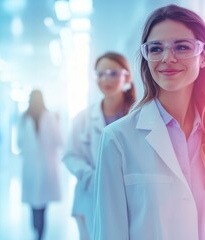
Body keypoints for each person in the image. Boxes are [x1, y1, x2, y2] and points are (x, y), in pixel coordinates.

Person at [93, 4, 205, 240]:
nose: (167, 58)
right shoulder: (118, 139)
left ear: (204, 57)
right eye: (156, 48)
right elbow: (110, 233)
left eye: (181, 47)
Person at [63, 52, 136, 240]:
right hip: (90, 196)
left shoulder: (139, 116)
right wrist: (91, 177)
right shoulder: (83, 118)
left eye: (113, 73)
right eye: (101, 74)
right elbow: (70, 155)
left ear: (126, 76)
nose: (106, 79)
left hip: (131, 199)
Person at [17, 89, 63, 240]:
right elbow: (59, 141)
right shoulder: (49, 117)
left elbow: (19, 143)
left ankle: (37, 231)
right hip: (44, 166)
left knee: (34, 203)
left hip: (36, 166)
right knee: (42, 205)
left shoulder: (25, 118)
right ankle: (39, 233)